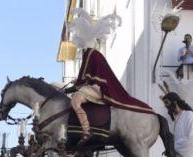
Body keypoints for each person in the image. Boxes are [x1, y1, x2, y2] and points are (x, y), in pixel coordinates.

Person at [65, 9, 155, 146]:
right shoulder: (93, 54)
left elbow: (86, 77)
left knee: (75, 101)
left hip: (97, 89)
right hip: (96, 87)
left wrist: (75, 87)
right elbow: (87, 77)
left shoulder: (90, 54)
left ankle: (86, 130)